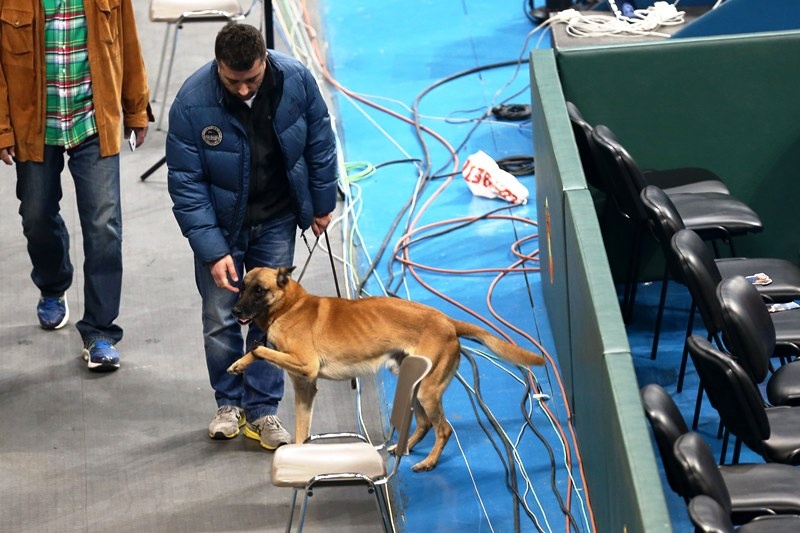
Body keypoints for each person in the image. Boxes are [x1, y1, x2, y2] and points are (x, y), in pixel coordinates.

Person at [166, 23, 338, 448]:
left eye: (252, 80)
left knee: (273, 317)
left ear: (265, 60)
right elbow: (186, 183)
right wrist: (212, 249)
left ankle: (262, 411)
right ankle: (229, 402)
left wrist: (321, 201)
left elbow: (320, 141)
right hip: (222, 227)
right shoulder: (191, 103)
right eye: (232, 81)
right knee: (220, 314)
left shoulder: (296, 80)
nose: (243, 90)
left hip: (277, 217)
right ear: (218, 67)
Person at [0, 0, 152, 371]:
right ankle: (53, 285)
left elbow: (128, 43)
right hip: (34, 123)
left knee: (104, 227)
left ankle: (100, 331)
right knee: (36, 216)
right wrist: (2, 125)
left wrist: (135, 108)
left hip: (93, 121)